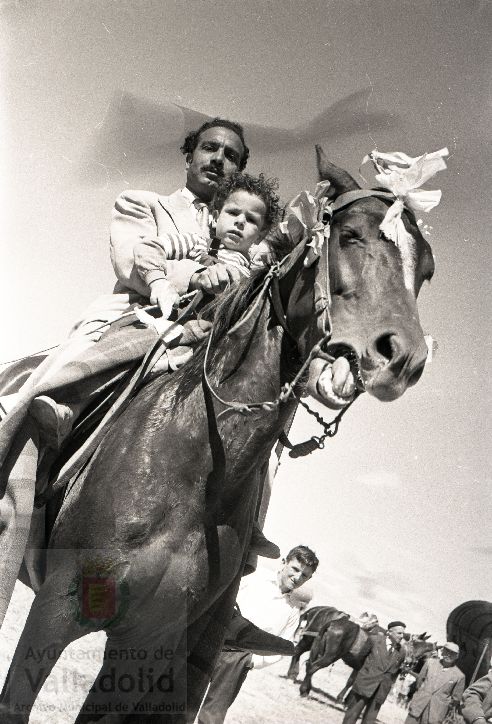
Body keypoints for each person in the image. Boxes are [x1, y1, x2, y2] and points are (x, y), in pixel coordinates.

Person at [132, 170, 282, 319]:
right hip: (178, 319)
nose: (240, 221)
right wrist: (158, 282)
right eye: (233, 213)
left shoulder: (254, 277)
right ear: (215, 218)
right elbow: (148, 247)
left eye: (251, 219)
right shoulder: (198, 243)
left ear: (260, 235)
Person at [197, 545, 319, 724]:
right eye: (295, 569)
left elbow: (284, 646)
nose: (298, 577)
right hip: (212, 641)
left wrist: (253, 661)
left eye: (305, 576)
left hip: (239, 659)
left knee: (212, 715)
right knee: (182, 696)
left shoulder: (293, 610)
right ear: (283, 562)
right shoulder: (255, 577)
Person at [342, 620, 407, 724]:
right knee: (351, 716)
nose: (402, 636)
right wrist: (367, 674)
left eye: (403, 633)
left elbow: (395, 671)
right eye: (399, 633)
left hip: (381, 691)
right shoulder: (374, 640)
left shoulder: (402, 652)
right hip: (364, 685)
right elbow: (359, 660)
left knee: (369, 721)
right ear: (389, 632)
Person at [405, 642, 465, 724]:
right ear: (442, 651)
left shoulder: (459, 676)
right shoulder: (430, 663)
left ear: (457, 656)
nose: (449, 655)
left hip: (436, 713)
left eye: (453, 653)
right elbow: (419, 682)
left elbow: (455, 699)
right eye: (447, 651)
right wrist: (422, 693)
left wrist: (441, 703)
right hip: (418, 705)